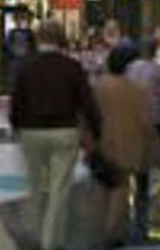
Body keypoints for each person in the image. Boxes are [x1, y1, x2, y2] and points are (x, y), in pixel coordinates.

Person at [9, 20, 102, 250]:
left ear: (38, 38)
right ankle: (50, 239)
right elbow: (87, 103)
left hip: (31, 132)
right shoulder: (72, 66)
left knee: (34, 184)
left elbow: (16, 101)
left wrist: (16, 127)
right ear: (61, 39)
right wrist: (96, 130)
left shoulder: (26, 66)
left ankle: (31, 232)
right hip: (64, 131)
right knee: (59, 189)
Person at [93, 43, 155, 245]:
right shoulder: (139, 91)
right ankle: (112, 233)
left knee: (105, 188)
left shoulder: (98, 86)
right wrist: (150, 147)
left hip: (102, 143)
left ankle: (107, 229)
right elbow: (146, 123)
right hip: (128, 146)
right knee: (121, 188)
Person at [125, 38, 160, 236]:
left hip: (133, 116)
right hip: (153, 116)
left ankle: (135, 184)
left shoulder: (131, 67)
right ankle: (144, 187)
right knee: (149, 156)